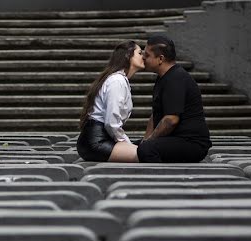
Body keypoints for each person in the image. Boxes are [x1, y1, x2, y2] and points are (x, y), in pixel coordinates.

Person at [137, 35, 211, 163]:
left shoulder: (176, 78)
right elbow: (155, 114)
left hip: (192, 143)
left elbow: (171, 120)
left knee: (147, 149)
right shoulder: (162, 77)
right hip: (175, 138)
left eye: (147, 55)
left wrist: (149, 142)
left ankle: (160, 180)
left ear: (160, 59)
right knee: (137, 146)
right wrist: (145, 139)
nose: (143, 57)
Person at [77, 40, 145, 162]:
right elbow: (112, 122)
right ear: (128, 55)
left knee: (148, 149)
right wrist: (125, 142)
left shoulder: (120, 79)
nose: (143, 56)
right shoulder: (117, 81)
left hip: (102, 138)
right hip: (97, 142)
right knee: (147, 154)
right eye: (140, 53)